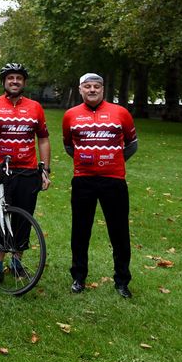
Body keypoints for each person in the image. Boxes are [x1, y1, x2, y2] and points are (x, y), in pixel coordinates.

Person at [63, 73, 138, 299]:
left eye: (96, 86)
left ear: (103, 89)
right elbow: (69, 146)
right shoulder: (70, 116)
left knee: (119, 232)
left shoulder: (120, 113)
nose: (92, 90)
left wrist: (113, 160)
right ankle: (78, 277)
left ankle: (122, 280)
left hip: (113, 180)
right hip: (83, 179)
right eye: (88, 86)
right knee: (80, 231)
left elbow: (132, 144)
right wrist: (87, 161)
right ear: (80, 90)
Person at [0, 63, 51, 285]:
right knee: (0, 219)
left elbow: (43, 138)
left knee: (23, 218)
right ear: (4, 82)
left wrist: (45, 169)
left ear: (24, 83)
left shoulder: (35, 107)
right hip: (1, 171)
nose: (14, 81)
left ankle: (17, 263)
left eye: (18, 78)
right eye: (10, 78)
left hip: (28, 171)